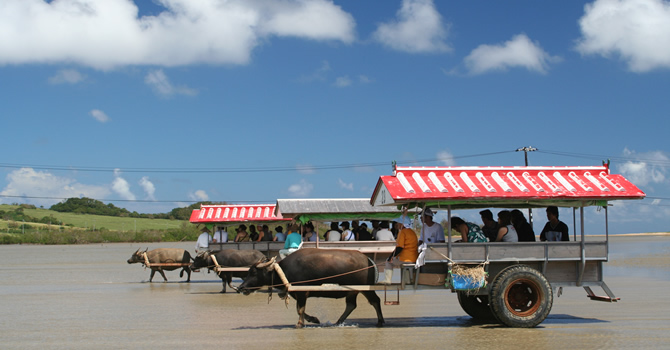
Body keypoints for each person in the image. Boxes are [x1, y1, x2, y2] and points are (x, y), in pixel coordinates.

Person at [380, 215, 418, 284]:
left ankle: (387, 280)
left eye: (398, 223)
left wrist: (391, 257)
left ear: (402, 224)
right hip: (413, 258)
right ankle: (408, 281)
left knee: (388, 262)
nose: (397, 224)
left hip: (405, 259)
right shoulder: (412, 232)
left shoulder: (402, 232)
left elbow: (400, 247)